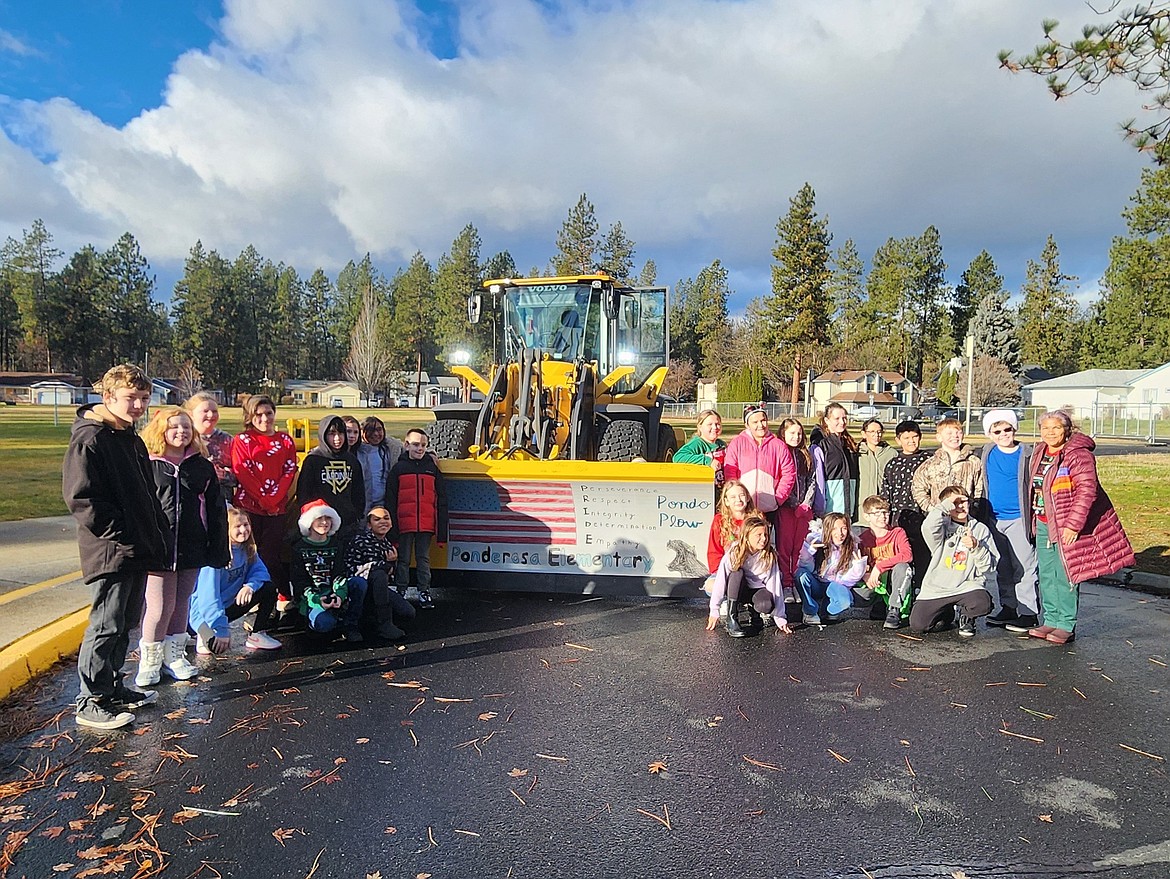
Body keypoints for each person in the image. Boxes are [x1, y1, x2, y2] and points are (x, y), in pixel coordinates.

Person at [63, 364, 170, 729]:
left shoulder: (130, 437)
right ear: (107, 397)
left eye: (143, 398)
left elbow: (146, 495)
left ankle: (111, 688)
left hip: (137, 548)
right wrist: (121, 538)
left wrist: (153, 537)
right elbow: (83, 499)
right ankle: (90, 700)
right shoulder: (91, 439)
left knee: (125, 623)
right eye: (130, 398)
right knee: (106, 624)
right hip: (112, 551)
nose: (138, 405)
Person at [136, 407, 229, 687]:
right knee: (159, 606)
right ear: (160, 430)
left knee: (181, 604)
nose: (181, 432)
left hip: (192, 547)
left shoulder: (201, 467)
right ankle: (150, 660)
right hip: (158, 549)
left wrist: (217, 549)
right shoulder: (148, 464)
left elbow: (215, 510)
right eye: (174, 427)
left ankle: (174, 656)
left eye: (186, 427)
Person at [1027, 411, 1135, 645]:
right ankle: (1050, 619)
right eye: (1045, 428)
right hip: (1044, 522)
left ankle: (1066, 624)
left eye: (1055, 428)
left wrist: (1074, 525)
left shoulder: (1079, 455)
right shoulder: (1040, 452)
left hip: (1065, 524)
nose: (1050, 433)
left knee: (1066, 574)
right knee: (1047, 574)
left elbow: (1087, 490)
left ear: (1067, 429)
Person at [979, 409, 1041, 633]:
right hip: (994, 519)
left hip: (1019, 518)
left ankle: (1028, 612)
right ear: (990, 434)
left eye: (1007, 429)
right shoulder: (987, 452)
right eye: (997, 430)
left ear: (1014, 429)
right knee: (1003, 566)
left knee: (1024, 566)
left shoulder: (1027, 454)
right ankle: (1009, 607)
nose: (1003, 434)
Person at [231, 395, 298, 602]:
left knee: (271, 555)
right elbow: (243, 472)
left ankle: (282, 596)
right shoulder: (243, 440)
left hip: (276, 508)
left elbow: (289, 471)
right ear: (250, 417)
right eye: (258, 415)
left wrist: (273, 500)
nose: (264, 418)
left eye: (268, 413)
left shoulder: (285, 440)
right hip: (248, 507)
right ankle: (246, 596)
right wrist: (263, 499)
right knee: (247, 553)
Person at [190, 506, 282, 654]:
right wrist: (221, 629)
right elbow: (208, 598)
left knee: (268, 588)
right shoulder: (216, 557)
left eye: (246, 525)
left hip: (229, 607)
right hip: (202, 613)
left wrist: (250, 586)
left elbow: (261, 572)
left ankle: (257, 634)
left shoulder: (248, 549)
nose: (243, 530)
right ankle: (197, 633)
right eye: (237, 526)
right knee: (213, 649)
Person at [910, 486, 997, 638]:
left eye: (963, 502)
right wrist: (946, 505)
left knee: (982, 602)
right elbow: (928, 526)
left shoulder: (980, 529)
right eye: (954, 503)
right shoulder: (940, 528)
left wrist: (976, 547)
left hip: (966, 586)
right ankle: (945, 613)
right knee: (918, 625)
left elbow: (988, 568)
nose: (960, 507)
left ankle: (966, 617)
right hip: (937, 588)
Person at [291, 499, 368, 641]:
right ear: (309, 521)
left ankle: (350, 624)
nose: (325, 522)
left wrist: (340, 594)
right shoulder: (299, 548)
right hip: (313, 597)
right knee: (325, 624)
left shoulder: (336, 545)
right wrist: (315, 600)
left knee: (359, 583)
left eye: (328, 518)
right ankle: (314, 620)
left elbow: (339, 573)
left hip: (333, 591)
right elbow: (299, 582)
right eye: (319, 518)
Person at [388, 428, 449, 608]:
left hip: (426, 523)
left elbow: (441, 497)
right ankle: (401, 590)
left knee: (424, 559)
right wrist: (393, 527)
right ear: (406, 445)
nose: (420, 448)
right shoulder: (398, 469)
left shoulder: (432, 468)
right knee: (403, 559)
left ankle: (424, 591)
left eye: (423, 445)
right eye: (415, 444)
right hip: (404, 523)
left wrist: (440, 529)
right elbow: (390, 499)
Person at [705, 513, 792, 637]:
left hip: (756, 589)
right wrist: (714, 610)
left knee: (766, 605)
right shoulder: (734, 552)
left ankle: (754, 612)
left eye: (765, 535)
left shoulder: (769, 555)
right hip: (737, 589)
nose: (764, 539)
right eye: (759, 535)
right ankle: (732, 618)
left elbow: (775, 585)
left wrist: (780, 617)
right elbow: (721, 580)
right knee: (737, 573)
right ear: (747, 536)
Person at [345, 507, 417, 639]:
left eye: (386, 518)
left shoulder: (388, 545)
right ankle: (383, 624)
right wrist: (383, 565)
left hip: (380, 590)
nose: (383, 522)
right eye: (377, 519)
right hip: (359, 590)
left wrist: (392, 564)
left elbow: (390, 575)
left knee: (408, 613)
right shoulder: (359, 541)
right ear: (369, 524)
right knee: (378, 573)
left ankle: (373, 621)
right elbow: (352, 569)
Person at [722, 405, 795, 535]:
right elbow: (730, 473)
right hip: (743, 508)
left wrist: (778, 498)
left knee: (766, 544)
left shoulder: (778, 445)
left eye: (763, 420)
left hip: (769, 508)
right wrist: (736, 497)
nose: (760, 425)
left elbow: (789, 473)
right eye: (755, 422)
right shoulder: (737, 443)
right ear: (747, 425)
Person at [297, 414, 366, 544]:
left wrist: (356, 514)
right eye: (331, 433)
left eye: (341, 433)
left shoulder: (351, 460)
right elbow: (304, 494)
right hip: (321, 525)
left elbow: (358, 491)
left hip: (348, 523)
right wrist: (314, 519)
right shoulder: (313, 460)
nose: (337, 438)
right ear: (323, 435)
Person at [881, 420, 932, 591]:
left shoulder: (928, 461)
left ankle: (921, 594)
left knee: (923, 558)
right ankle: (896, 596)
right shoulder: (893, 464)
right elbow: (885, 493)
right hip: (898, 520)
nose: (911, 441)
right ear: (898, 440)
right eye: (906, 437)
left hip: (923, 519)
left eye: (914, 437)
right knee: (900, 558)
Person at [795, 512, 867, 626]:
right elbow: (804, 566)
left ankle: (825, 610)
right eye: (835, 529)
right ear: (828, 529)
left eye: (844, 528)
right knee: (800, 575)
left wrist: (859, 567)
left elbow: (848, 579)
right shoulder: (817, 541)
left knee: (846, 601)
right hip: (816, 582)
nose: (840, 533)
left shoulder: (851, 546)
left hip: (835, 584)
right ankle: (810, 611)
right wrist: (809, 551)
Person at [857, 495, 914, 629]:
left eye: (885, 512)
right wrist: (865, 574)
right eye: (877, 513)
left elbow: (907, 555)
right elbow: (856, 563)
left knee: (903, 567)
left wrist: (879, 567)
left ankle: (894, 609)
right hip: (873, 583)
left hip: (892, 581)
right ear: (867, 516)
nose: (882, 516)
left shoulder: (897, 532)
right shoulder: (862, 539)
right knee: (850, 593)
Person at [911, 417, 985, 514]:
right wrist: (932, 509)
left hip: (965, 517)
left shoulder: (973, 462)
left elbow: (979, 490)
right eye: (949, 433)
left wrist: (973, 509)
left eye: (958, 432)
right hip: (940, 519)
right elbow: (918, 489)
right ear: (939, 437)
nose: (955, 436)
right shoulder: (930, 464)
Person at [776, 418, 815, 603]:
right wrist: (792, 503)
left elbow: (812, 481)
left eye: (799, 433)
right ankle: (786, 584)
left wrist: (806, 503)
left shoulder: (805, 455)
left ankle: (797, 582)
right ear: (783, 434)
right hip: (785, 508)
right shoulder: (780, 452)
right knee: (785, 547)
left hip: (803, 509)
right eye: (792, 433)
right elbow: (781, 482)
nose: (796, 437)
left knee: (799, 548)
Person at [811, 403, 859, 520]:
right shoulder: (820, 445)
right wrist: (820, 508)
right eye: (837, 419)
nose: (842, 422)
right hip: (830, 509)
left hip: (848, 508)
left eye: (844, 418)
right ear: (827, 420)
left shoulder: (848, 444)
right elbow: (818, 479)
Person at [706, 480, 757, 585]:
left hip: (751, 569)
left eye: (742, 495)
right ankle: (725, 599)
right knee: (711, 586)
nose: (738, 500)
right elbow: (714, 551)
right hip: (725, 568)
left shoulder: (756, 519)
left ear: (747, 497)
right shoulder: (719, 520)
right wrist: (718, 572)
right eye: (733, 497)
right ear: (726, 501)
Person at [185, 392, 236, 495]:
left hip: (222, 499)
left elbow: (240, 475)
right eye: (205, 411)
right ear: (191, 414)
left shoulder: (227, 440)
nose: (211, 415)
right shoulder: (185, 439)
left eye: (214, 411)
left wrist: (223, 474)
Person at [672, 409, 726, 497]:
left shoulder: (721, 444)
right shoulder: (697, 443)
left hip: (720, 489)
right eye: (710, 424)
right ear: (700, 427)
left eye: (717, 424)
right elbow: (678, 457)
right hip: (703, 492)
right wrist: (707, 461)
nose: (715, 427)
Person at [357, 416, 404, 514]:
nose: (376, 434)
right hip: (362, 503)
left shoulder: (392, 448)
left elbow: (413, 447)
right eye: (370, 430)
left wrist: (430, 453)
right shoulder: (355, 450)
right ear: (361, 432)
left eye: (379, 430)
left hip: (384, 503)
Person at [857, 419, 896, 513]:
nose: (876, 435)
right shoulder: (856, 453)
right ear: (864, 434)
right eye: (872, 432)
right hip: (860, 508)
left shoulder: (891, 453)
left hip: (882, 509)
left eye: (879, 432)